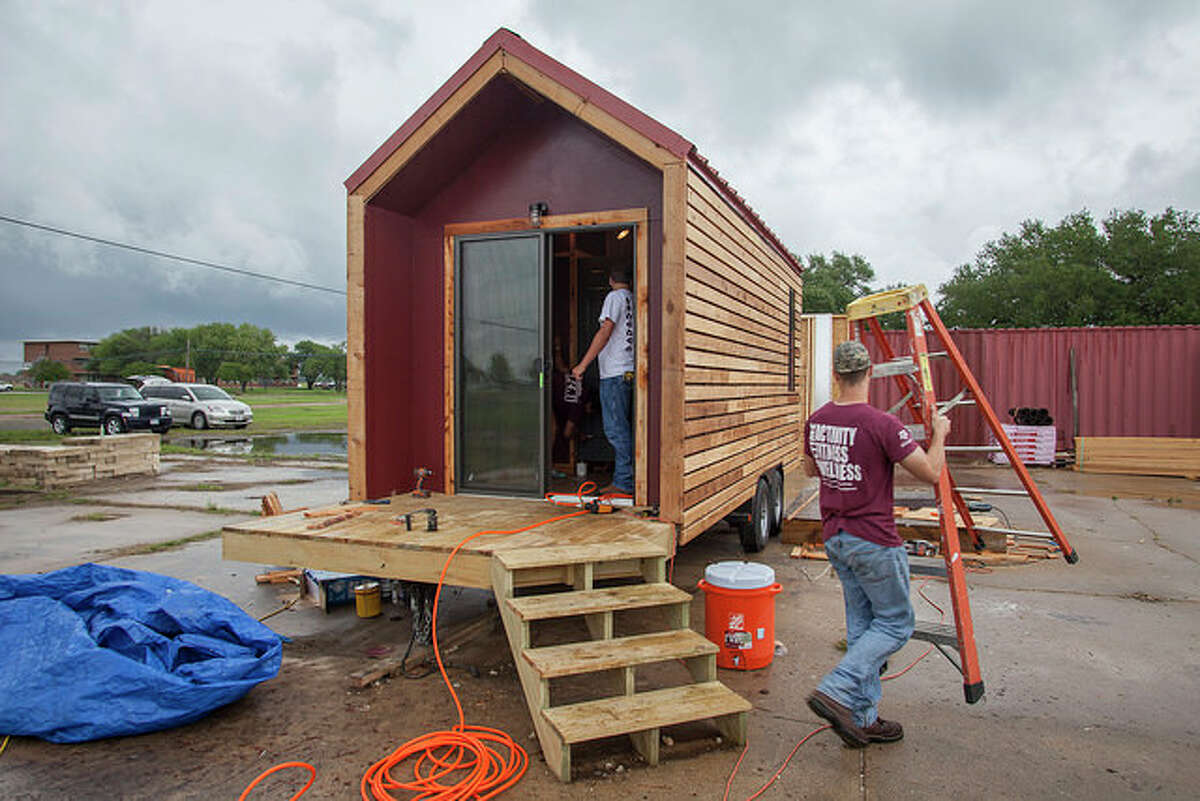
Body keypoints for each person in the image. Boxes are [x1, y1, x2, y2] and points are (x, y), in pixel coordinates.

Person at [802, 340, 950, 748]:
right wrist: (938, 434)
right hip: (873, 540)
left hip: (836, 537)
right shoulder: (882, 424)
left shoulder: (816, 421)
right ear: (869, 374)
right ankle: (837, 689)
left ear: (835, 375)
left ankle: (862, 718)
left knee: (864, 628)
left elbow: (810, 468)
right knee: (896, 624)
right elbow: (932, 473)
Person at [572, 266, 634, 495]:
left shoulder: (614, 297)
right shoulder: (633, 299)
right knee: (624, 428)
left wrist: (583, 365)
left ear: (610, 280)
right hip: (629, 371)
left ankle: (624, 482)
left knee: (616, 429)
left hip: (615, 373)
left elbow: (605, 331)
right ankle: (628, 478)